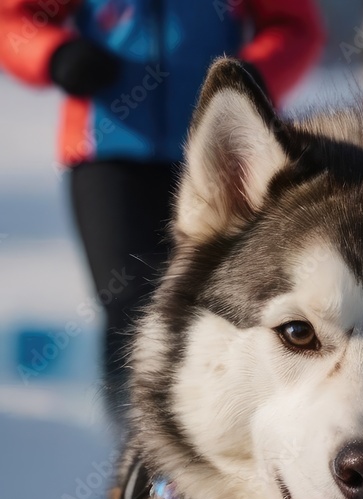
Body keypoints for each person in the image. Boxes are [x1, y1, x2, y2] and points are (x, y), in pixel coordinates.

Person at [0, 0, 325, 427]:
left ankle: (221, 431)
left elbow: (295, 26)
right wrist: (54, 52)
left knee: (224, 300)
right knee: (128, 302)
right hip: (108, 152)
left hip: (227, 155)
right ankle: (137, 446)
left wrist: (256, 75)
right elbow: (14, 20)